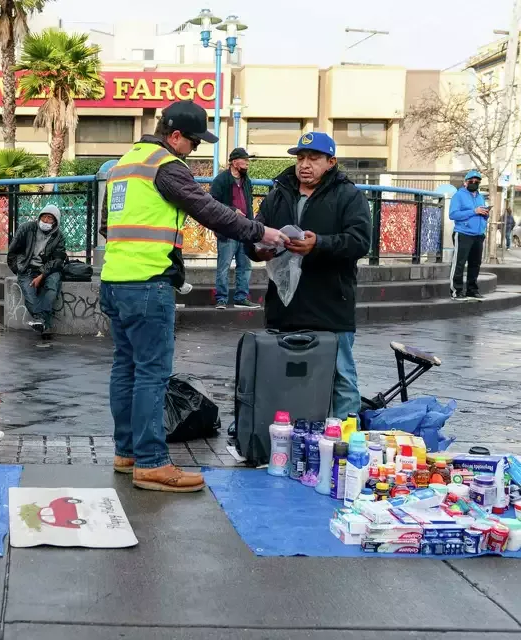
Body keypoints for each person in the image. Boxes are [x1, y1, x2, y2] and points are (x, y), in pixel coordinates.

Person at [100, 100, 287, 493]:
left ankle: (127, 452)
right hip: (148, 283)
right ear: (174, 136)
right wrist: (259, 232)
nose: (196, 150)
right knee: (152, 373)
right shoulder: (166, 166)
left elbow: (105, 225)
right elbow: (208, 210)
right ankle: (151, 463)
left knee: (126, 368)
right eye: (194, 142)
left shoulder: (124, 164)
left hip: (115, 282)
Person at [246, 132, 371, 420]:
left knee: (342, 379)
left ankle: (344, 442)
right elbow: (255, 231)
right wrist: (258, 250)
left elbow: (359, 241)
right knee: (285, 380)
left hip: (330, 306)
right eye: (301, 158)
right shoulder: (278, 193)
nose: (305, 165)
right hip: (285, 308)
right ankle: (285, 440)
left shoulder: (348, 195)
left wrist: (319, 244)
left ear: (331, 162)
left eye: (314, 159)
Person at [210, 147, 259, 310]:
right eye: (244, 159)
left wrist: (252, 226)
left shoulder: (247, 181)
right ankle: (221, 299)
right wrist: (232, 210)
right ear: (234, 162)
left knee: (245, 265)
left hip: (245, 230)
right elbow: (212, 203)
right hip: (227, 230)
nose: (247, 163)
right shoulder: (221, 180)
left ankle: (241, 297)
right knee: (223, 265)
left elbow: (250, 205)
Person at [7, 204, 67, 334]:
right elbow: (12, 251)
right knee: (29, 294)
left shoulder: (58, 236)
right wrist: (17, 269)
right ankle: (43, 321)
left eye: (50, 218)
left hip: (48, 269)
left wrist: (42, 275)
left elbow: (58, 260)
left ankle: (41, 321)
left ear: (55, 222)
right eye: (44, 217)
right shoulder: (26, 229)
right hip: (27, 268)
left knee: (52, 287)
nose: (45, 221)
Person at [449, 170, 489, 300]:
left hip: (478, 235)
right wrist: (474, 211)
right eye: (471, 181)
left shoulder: (480, 197)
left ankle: (472, 290)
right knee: (459, 263)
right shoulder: (458, 196)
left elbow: (481, 213)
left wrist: (485, 214)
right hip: (463, 233)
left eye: (477, 181)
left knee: (475, 264)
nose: (474, 183)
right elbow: (453, 214)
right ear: (465, 182)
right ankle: (457, 291)